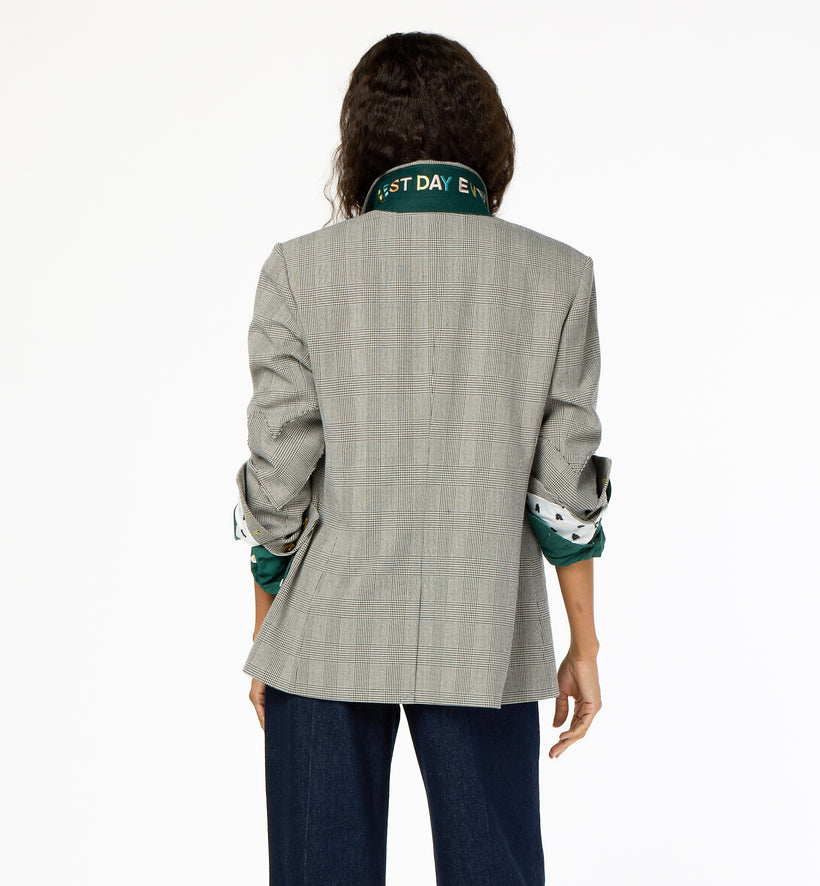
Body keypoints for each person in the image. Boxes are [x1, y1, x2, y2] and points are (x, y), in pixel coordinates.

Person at [232, 31, 613, 886]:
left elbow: (277, 488)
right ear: (488, 137)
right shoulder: (557, 275)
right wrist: (584, 643)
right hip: (487, 625)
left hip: (323, 637)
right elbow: (563, 494)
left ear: (361, 141)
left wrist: (266, 635)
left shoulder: (299, 271)